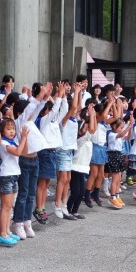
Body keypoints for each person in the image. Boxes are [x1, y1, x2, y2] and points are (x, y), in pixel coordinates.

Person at [12, 83, 51, 239]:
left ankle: (27, 221)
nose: (31, 113)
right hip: (24, 161)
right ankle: (18, 223)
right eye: (27, 111)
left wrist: (45, 97)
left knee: (30, 195)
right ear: (21, 112)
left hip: (35, 161)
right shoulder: (19, 122)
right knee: (23, 194)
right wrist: (38, 96)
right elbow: (31, 108)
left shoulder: (29, 121)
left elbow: (35, 109)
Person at [34, 81, 67, 224]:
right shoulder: (42, 121)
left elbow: (63, 110)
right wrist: (58, 95)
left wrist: (63, 95)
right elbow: (55, 110)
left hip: (52, 153)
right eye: (49, 110)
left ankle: (41, 208)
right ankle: (39, 207)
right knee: (41, 184)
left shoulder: (53, 122)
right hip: (44, 153)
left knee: (46, 183)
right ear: (45, 111)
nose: (52, 112)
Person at [0, 119, 29, 246]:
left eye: (13, 129)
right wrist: (23, 139)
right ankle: (2, 233)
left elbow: (24, 151)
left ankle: (7, 230)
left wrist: (23, 138)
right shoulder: (4, 143)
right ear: (2, 130)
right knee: (5, 207)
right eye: (8, 129)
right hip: (6, 175)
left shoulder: (13, 142)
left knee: (10, 206)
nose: (12, 131)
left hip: (14, 174)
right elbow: (17, 152)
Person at [53, 82, 81, 220]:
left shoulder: (75, 120)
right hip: (62, 150)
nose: (76, 111)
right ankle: (57, 204)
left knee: (68, 179)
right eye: (73, 110)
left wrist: (79, 92)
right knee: (63, 179)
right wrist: (75, 92)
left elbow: (78, 106)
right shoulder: (64, 120)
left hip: (70, 150)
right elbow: (74, 107)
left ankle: (64, 204)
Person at [85, 97, 118, 206]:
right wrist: (109, 103)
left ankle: (96, 193)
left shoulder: (104, 122)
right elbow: (103, 115)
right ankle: (87, 194)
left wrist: (113, 105)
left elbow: (116, 117)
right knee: (93, 174)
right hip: (96, 147)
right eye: (106, 111)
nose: (108, 114)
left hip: (102, 147)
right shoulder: (96, 119)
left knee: (101, 174)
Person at [66, 104, 96, 216]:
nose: (87, 129)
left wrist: (93, 115)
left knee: (81, 192)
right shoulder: (80, 140)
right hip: (75, 167)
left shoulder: (88, 140)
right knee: (75, 192)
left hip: (83, 168)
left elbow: (93, 129)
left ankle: (75, 211)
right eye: (85, 128)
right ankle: (68, 210)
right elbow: (91, 131)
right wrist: (92, 116)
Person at [105, 117, 133, 209]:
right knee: (115, 177)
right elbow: (121, 135)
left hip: (118, 154)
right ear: (114, 126)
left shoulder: (118, 134)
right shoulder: (111, 134)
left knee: (118, 177)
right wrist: (129, 126)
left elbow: (127, 137)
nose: (121, 129)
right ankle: (112, 197)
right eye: (121, 127)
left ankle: (117, 195)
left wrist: (130, 128)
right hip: (113, 155)